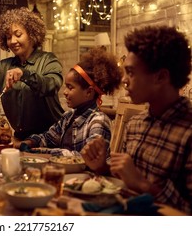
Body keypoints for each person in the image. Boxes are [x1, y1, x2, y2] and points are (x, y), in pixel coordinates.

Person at [81, 26, 192, 214]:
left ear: (161, 77)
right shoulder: (135, 124)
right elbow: (126, 182)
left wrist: (143, 184)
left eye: (131, 72)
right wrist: (103, 168)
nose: (124, 80)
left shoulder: (187, 131)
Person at [0, 7, 64, 140]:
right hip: (20, 137)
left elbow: (52, 84)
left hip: (52, 137)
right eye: (8, 37)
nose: (12, 41)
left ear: (32, 34)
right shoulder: (4, 65)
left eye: (18, 35)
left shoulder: (48, 59)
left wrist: (24, 74)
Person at [16, 48, 122, 153]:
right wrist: (26, 143)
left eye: (70, 87)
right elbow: (48, 138)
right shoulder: (68, 117)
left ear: (89, 92)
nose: (65, 92)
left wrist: (43, 151)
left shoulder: (98, 122)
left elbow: (85, 158)